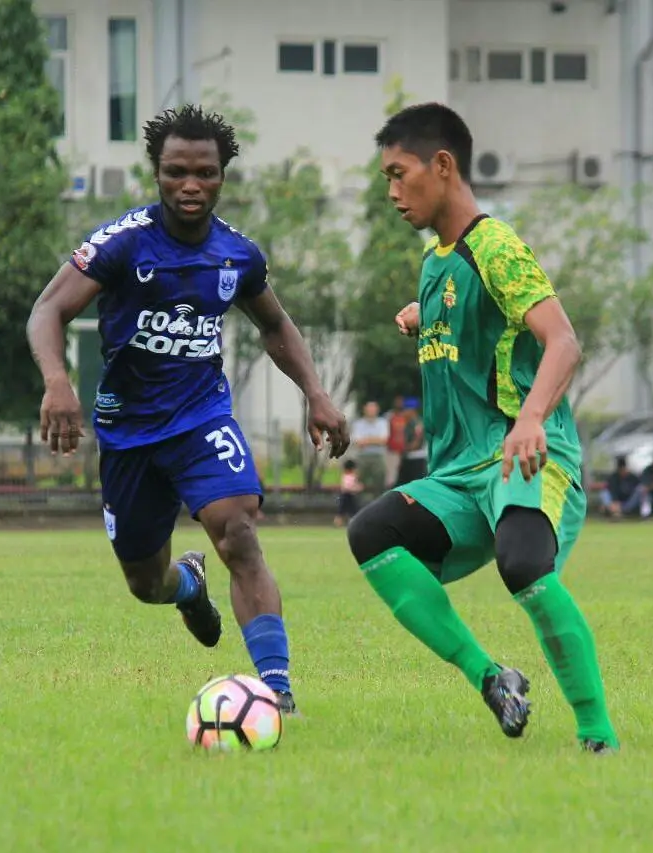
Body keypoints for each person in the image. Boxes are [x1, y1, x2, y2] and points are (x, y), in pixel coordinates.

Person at [27, 105, 349, 716]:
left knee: (239, 530)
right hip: (128, 435)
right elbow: (47, 310)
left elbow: (275, 325)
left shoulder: (237, 255)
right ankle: (188, 585)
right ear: (157, 172)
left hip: (202, 419)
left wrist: (316, 392)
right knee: (146, 584)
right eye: (176, 172)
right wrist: (56, 381)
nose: (190, 185)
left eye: (204, 172)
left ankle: (275, 690)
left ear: (223, 174)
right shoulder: (123, 244)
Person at [346, 103, 618, 754]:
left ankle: (596, 737)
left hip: (526, 455)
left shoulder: (494, 244)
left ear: (441, 166)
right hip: (460, 474)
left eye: (398, 172)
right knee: (372, 533)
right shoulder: (437, 260)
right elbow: (473, 324)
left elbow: (562, 342)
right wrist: (426, 316)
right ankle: (492, 678)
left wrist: (528, 421)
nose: (390, 191)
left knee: (522, 564)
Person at [350, 401, 389, 496]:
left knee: (380, 480)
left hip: (378, 456)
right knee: (359, 481)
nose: (371, 411)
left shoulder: (382, 423)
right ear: (365, 410)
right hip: (362, 456)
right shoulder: (358, 424)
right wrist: (375, 440)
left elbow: (384, 440)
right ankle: (359, 504)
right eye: (369, 409)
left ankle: (378, 501)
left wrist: (366, 440)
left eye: (373, 409)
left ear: (377, 410)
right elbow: (358, 442)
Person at [394, 403, 427, 486]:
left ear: (411, 411)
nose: (403, 413)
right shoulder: (409, 422)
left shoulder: (417, 423)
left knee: (414, 484)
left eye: (405, 410)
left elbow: (416, 443)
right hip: (409, 457)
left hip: (416, 458)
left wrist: (404, 448)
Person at [385, 396, 408, 487]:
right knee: (391, 477)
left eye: (401, 401)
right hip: (392, 450)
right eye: (397, 401)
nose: (399, 404)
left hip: (406, 451)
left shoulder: (406, 416)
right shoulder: (389, 416)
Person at [334, 459, 363, 527]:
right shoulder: (348, 476)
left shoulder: (351, 476)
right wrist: (356, 488)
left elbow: (354, 485)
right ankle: (338, 523)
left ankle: (351, 523)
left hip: (350, 496)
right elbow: (347, 487)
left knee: (352, 511)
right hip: (346, 496)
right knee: (342, 511)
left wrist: (358, 486)